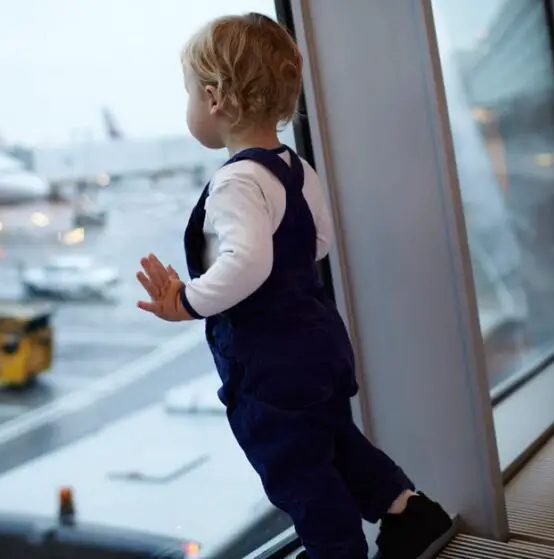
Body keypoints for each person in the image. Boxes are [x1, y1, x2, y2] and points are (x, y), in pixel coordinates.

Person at [133, 12, 456, 559]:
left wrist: (188, 300)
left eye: (189, 91)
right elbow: (318, 243)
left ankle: (335, 551)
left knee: (294, 466)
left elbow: (248, 263)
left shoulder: (236, 180)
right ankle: (409, 512)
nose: (188, 104)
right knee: (335, 441)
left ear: (214, 99)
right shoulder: (294, 168)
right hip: (318, 339)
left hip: (272, 360)